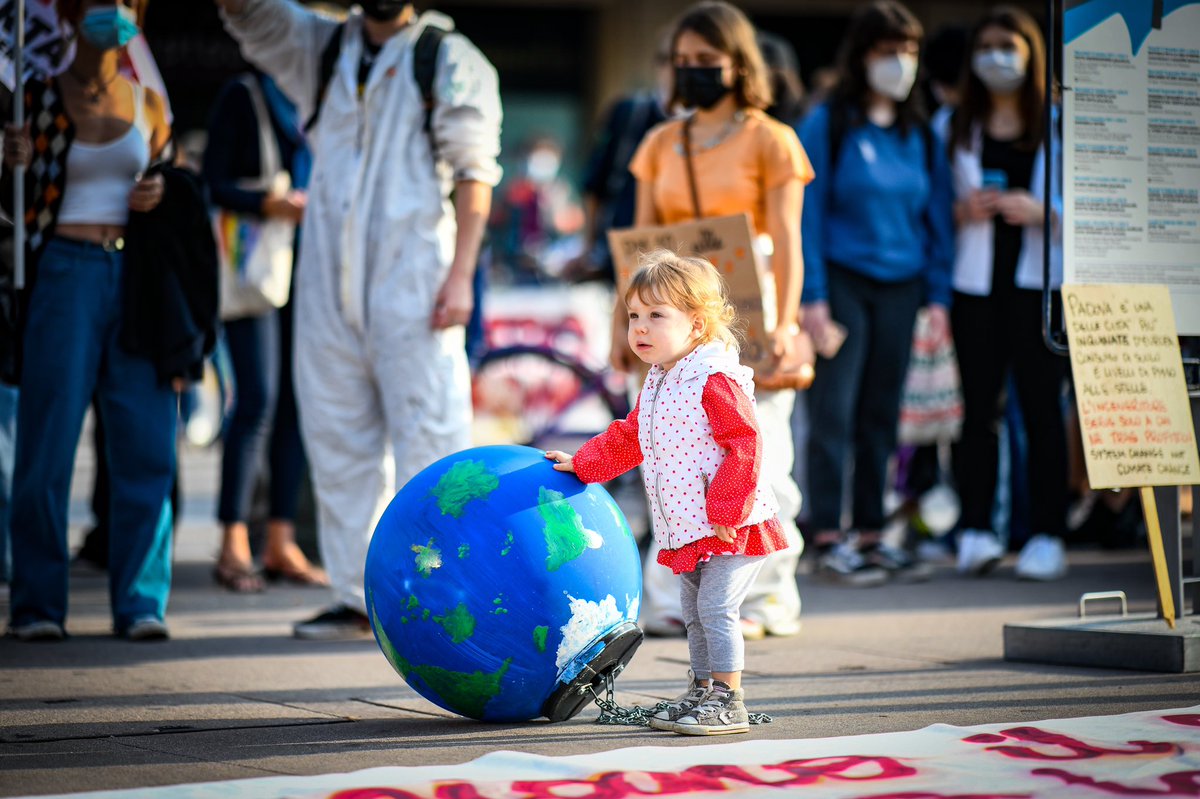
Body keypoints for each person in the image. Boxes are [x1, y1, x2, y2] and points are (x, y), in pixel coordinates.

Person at [215, 0, 501, 638]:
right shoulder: (321, 46)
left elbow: (475, 172)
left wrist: (461, 276)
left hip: (415, 279)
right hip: (325, 281)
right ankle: (357, 597)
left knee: (431, 440)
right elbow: (248, 15)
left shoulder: (448, 58)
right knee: (338, 440)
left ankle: (440, 597)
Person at [619, 1, 813, 640]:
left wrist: (784, 323)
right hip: (671, 314)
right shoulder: (657, 142)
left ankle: (766, 598)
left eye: (708, 61)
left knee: (760, 456)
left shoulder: (772, 139)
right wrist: (629, 326)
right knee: (669, 454)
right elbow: (641, 245)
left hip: (748, 309)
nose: (694, 72)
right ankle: (677, 598)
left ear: (739, 65)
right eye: (684, 62)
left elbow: (787, 241)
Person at [547, 250, 785, 736]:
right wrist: (586, 463)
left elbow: (744, 442)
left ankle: (728, 699)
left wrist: (726, 506)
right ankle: (702, 689)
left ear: (696, 326)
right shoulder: (660, 380)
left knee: (717, 609)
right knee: (692, 613)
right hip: (690, 525)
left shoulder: (714, 377)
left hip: (732, 523)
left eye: (657, 316)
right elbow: (633, 435)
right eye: (635, 315)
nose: (640, 327)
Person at [2, 0, 177, 640]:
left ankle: (141, 603)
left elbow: (175, 185)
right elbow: (12, 208)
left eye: (129, 2)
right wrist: (7, 162)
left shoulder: (149, 102)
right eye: (105, 0)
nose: (118, 11)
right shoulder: (34, 97)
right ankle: (38, 604)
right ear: (73, 12)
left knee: (147, 442)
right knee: (47, 443)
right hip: (63, 271)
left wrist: (161, 191)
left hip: (133, 279)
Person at [798, 0, 954, 586]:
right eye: (889, 51)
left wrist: (937, 296)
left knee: (883, 416)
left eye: (910, 52)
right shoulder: (828, 123)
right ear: (862, 56)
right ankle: (828, 538)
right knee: (833, 412)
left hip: (904, 286)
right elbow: (807, 216)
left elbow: (936, 217)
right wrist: (812, 296)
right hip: (841, 283)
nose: (901, 63)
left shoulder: (922, 132)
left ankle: (871, 533)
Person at [942, 6, 1068, 580]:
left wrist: (1044, 212)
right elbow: (927, 210)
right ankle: (975, 530)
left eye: (1009, 45)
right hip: (976, 288)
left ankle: (1047, 532)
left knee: (1043, 410)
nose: (997, 56)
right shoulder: (952, 126)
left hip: (1039, 287)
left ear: (1031, 53)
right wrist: (960, 211)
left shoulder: (1061, 124)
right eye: (986, 45)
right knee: (979, 413)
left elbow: (1102, 210)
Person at [204, 69, 326, 593]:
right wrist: (267, 204)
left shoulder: (320, 98)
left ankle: (280, 541)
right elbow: (212, 180)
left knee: (296, 404)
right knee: (256, 399)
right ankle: (233, 540)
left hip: (309, 268)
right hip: (255, 270)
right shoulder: (244, 93)